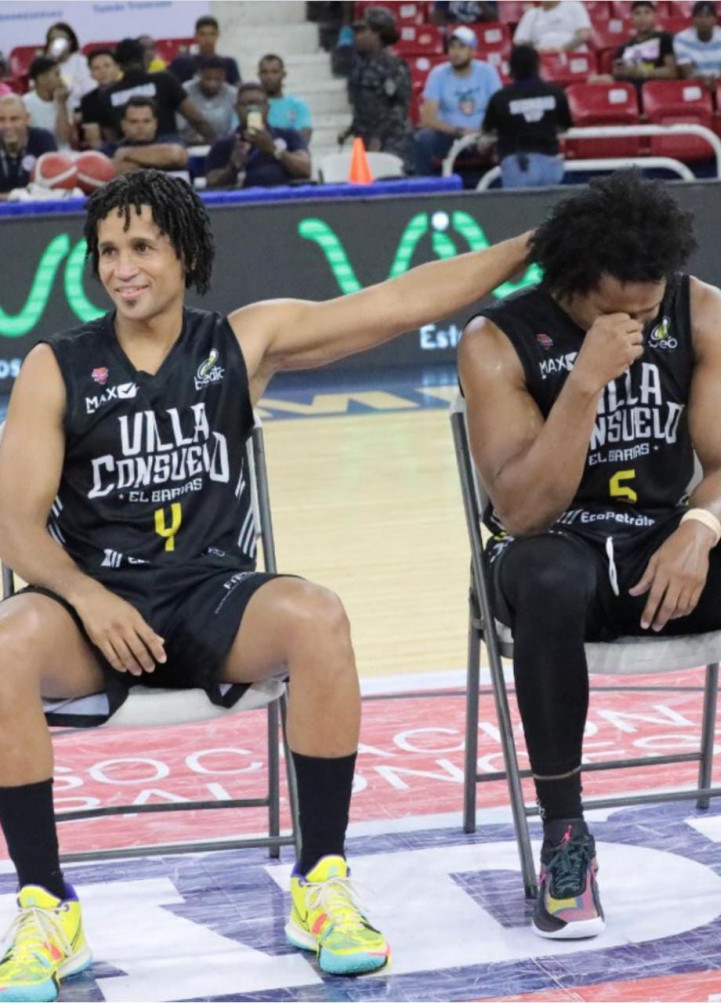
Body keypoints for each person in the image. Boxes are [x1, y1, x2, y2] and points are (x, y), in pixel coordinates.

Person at [0, 168, 531, 999]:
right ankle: (44, 904)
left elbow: (401, 303)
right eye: (107, 250)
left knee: (317, 617)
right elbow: (16, 528)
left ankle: (321, 884)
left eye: (141, 246)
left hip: (213, 597)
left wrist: (532, 246)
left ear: (186, 254)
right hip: (95, 607)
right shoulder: (56, 366)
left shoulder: (243, 342)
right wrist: (89, 597)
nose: (121, 266)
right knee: (5, 643)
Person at [458, 169, 721, 940]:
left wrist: (700, 529)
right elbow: (519, 510)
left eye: (651, 303)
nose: (642, 318)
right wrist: (582, 386)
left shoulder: (700, 307)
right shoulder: (497, 340)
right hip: (557, 549)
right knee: (543, 573)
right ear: (574, 286)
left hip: (661, 546)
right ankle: (566, 838)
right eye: (622, 308)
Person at [416, 25, 501, 176]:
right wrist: (459, 131)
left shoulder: (488, 72)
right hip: (450, 136)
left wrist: (485, 133)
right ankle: (428, 189)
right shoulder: (438, 74)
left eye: (461, 47)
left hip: (483, 136)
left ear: (472, 50)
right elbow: (427, 119)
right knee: (424, 138)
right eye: (452, 47)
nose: (455, 52)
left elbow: (500, 110)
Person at [482, 44, 571, 188]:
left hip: (516, 165)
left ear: (511, 67)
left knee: (519, 209)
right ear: (537, 65)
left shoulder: (500, 98)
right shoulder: (556, 93)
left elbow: (488, 129)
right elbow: (565, 125)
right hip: (550, 161)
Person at [96, 39, 214, 144]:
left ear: (118, 65)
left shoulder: (107, 95)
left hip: (130, 153)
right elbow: (196, 119)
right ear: (144, 59)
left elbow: (111, 139)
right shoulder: (164, 80)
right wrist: (214, 143)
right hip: (168, 146)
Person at [205, 81, 310, 188]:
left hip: (285, 199)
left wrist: (274, 149)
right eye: (246, 105)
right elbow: (211, 184)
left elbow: (305, 170)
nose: (251, 109)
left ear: (267, 107)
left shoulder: (289, 136)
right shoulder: (224, 144)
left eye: (257, 104)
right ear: (236, 109)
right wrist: (233, 167)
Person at [339, 7, 412, 161]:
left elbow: (399, 107)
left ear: (377, 35)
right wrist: (350, 129)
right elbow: (361, 106)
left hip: (392, 142)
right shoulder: (359, 67)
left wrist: (379, 137)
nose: (356, 37)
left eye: (362, 32)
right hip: (365, 139)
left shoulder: (393, 66)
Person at [110, 96, 189, 176]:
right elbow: (112, 170)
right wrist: (157, 160)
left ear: (155, 123)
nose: (140, 126)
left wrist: (127, 153)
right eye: (134, 121)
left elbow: (175, 155)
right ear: (123, 124)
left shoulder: (170, 140)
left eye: (146, 121)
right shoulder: (112, 148)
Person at [0, 94, 56, 198]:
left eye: (14, 119)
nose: (8, 126)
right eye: (1, 120)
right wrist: (12, 197)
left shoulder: (43, 140)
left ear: (27, 119)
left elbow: (54, 188)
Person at [612, 0, 678, 84]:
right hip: (630, 90)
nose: (642, 18)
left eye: (647, 13)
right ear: (631, 19)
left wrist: (640, 72)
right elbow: (617, 74)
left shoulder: (665, 38)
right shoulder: (623, 47)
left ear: (655, 16)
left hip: (656, 90)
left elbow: (672, 72)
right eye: (637, 13)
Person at [177, 55, 237, 145]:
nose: (212, 84)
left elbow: (235, 126)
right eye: (208, 79)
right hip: (190, 143)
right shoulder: (185, 90)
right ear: (199, 75)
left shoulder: (233, 94)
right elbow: (180, 124)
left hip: (224, 143)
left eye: (218, 79)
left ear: (224, 77)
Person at [674, 1, 721, 88]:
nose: (703, 20)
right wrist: (703, 80)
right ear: (693, 19)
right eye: (699, 16)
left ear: (715, 19)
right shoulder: (681, 39)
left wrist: (715, 81)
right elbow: (688, 73)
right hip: (695, 85)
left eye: (708, 16)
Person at [169, 15, 241, 86]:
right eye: (203, 34)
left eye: (212, 34)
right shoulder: (181, 63)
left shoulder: (229, 64)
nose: (208, 39)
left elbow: (237, 91)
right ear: (196, 36)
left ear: (217, 35)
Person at [258, 54, 313, 145]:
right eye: (264, 72)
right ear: (259, 75)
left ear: (283, 74)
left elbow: (304, 137)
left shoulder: (298, 105)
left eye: (275, 72)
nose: (269, 77)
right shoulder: (251, 105)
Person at [44, 22, 92, 114]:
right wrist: (48, 64)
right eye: (52, 40)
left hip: (79, 111)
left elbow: (89, 92)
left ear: (70, 42)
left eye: (60, 40)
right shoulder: (42, 66)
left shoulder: (81, 62)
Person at [78, 49, 121, 150]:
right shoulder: (88, 100)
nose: (103, 71)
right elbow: (94, 138)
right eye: (96, 68)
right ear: (91, 73)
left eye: (107, 66)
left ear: (117, 67)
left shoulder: (129, 89)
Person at [22, 57, 70, 148]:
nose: (61, 80)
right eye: (57, 75)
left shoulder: (63, 99)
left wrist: (61, 104)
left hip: (63, 154)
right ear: (42, 79)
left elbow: (63, 139)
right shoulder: (25, 103)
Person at [513, 1, 592, 54]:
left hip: (572, 56)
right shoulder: (531, 14)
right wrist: (535, 51)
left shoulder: (574, 5)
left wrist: (564, 49)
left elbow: (584, 34)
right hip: (542, 60)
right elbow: (519, 42)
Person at [431, 1, 499, 25]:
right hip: (455, 35)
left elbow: (494, 19)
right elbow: (437, 19)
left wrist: (481, 2)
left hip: (480, 34)